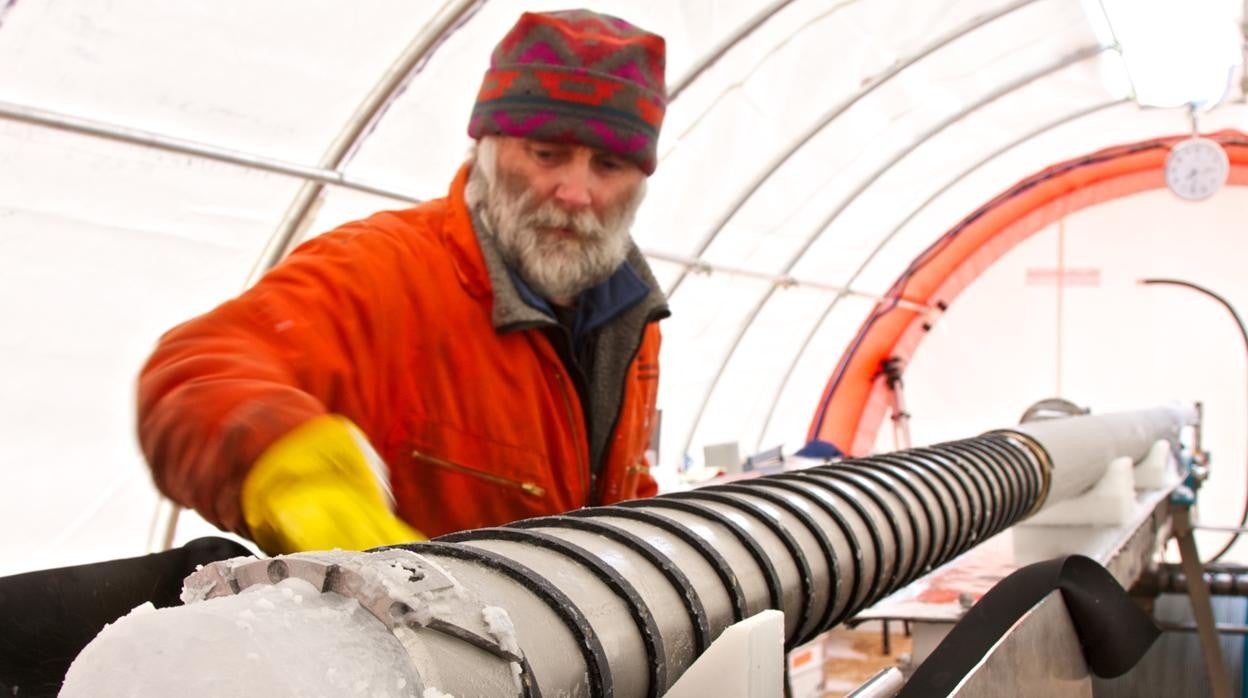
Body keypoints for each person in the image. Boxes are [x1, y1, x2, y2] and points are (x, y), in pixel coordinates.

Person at [137, 9, 670, 555]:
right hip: (409, 636)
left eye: (607, 166)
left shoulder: (631, 315)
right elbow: (192, 375)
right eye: (546, 154)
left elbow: (622, 487)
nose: (575, 193)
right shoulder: (382, 274)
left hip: (589, 630)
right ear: (486, 150)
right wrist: (289, 466)